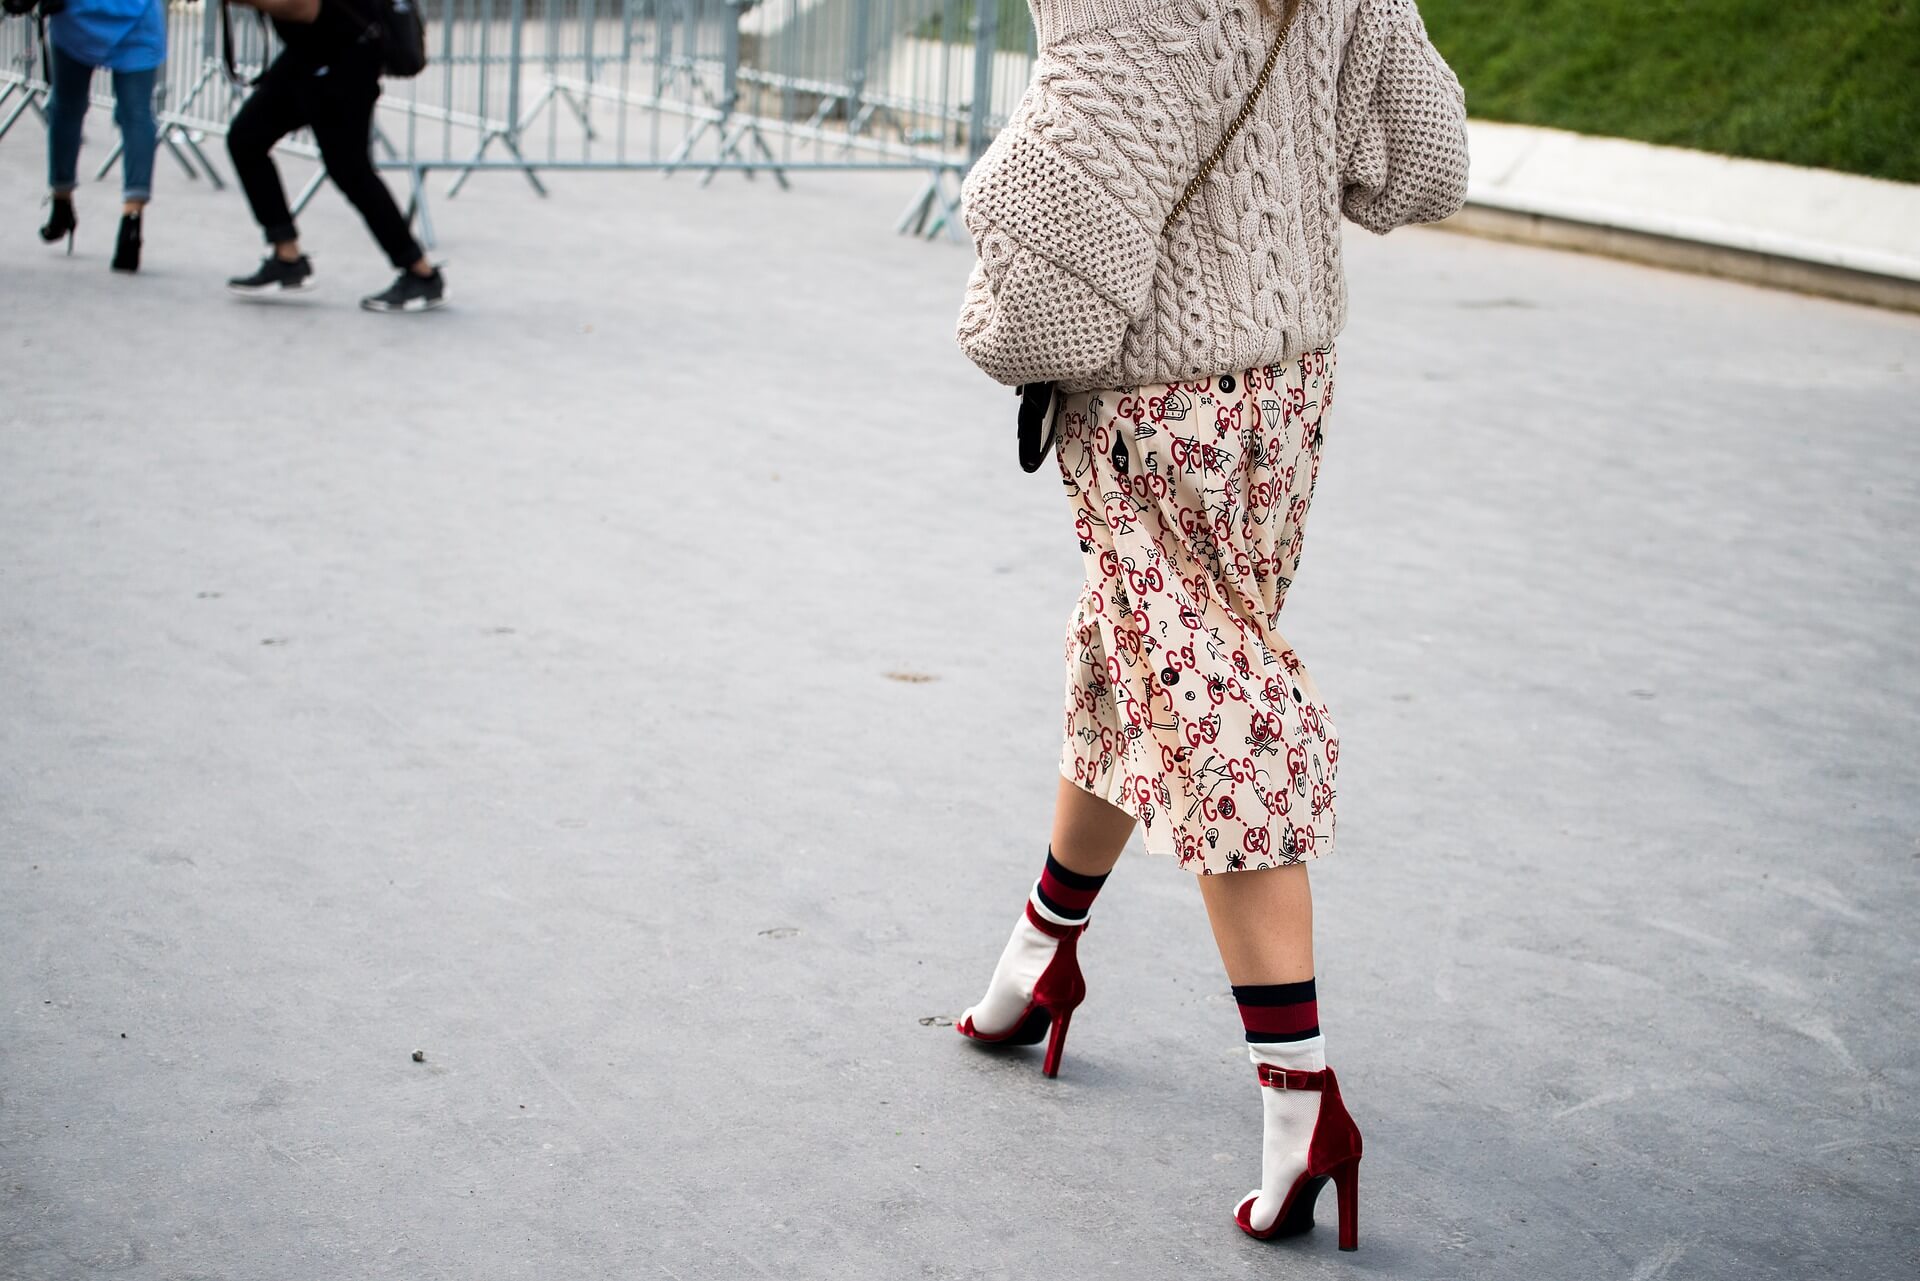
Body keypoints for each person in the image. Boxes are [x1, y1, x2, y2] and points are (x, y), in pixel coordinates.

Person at [951, 0, 1468, 1250]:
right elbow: (1425, 161)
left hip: (1154, 404)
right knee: (1147, 657)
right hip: (1287, 391)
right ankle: (1039, 957)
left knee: (1212, 699)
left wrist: (997, 326)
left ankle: (1304, 1104)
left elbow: (1055, 262)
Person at [222, 0, 444, 312]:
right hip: (310, 53)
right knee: (246, 138)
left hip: (345, 58)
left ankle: (420, 273)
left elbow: (300, 6)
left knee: (351, 170)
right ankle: (287, 257)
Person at [33, 0, 165, 272]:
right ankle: (131, 221)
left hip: (79, 16)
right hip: (133, 17)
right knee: (136, 114)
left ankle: (62, 200)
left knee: (67, 109)